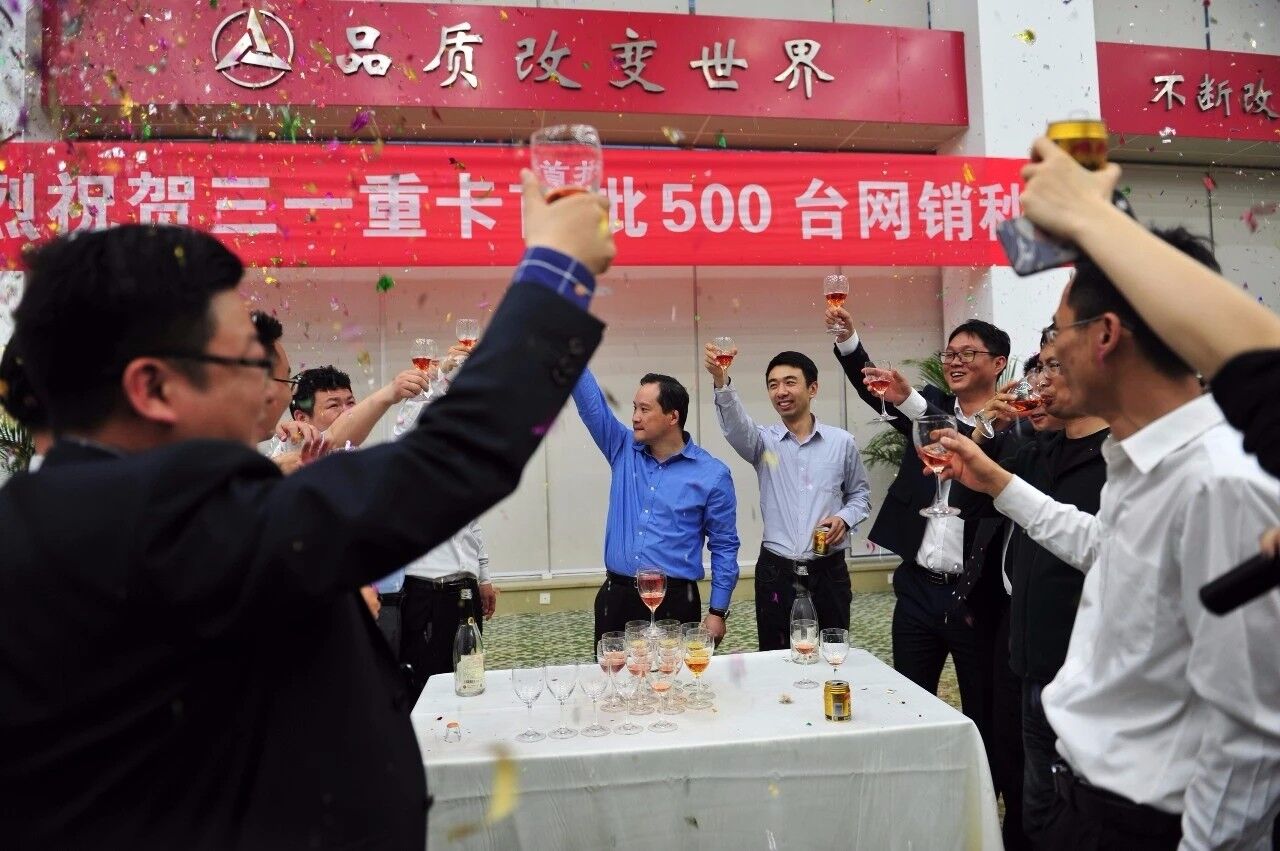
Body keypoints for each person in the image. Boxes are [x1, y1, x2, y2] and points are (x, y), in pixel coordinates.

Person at [0, 169, 614, 848]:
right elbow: (451, 459)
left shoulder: (46, 520)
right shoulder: (161, 527)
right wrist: (558, 270)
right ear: (153, 387)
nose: (269, 394)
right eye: (247, 363)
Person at [938, 228, 1280, 850]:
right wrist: (998, 484)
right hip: (1080, 795)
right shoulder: (1139, 459)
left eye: (1057, 333)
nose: (1044, 359)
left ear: (1106, 335)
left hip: (1146, 824)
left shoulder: (1220, 482)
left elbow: (1255, 734)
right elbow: (1105, 547)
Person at [825, 305, 1010, 734]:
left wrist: (916, 403)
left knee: (983, 708)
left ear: (998, 363)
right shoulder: (929, 407)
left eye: (968, 353)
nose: (955, 361)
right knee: (910, 703)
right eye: (950, 354)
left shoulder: (1012, 425)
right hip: (917, 590)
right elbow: (876, 391)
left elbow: (966, 443)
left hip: (977, 595)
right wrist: (848, 340)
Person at [706, 345, 870, 650]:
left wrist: (844, 519)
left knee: (832, 653)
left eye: (790, 382)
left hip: (828, 571)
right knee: (775, 656)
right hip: (776, 573)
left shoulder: (841, 442)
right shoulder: (762, 443)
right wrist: (721, 381)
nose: (781, 391)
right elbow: (735, 427)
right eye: (773, 384)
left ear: (813, 388)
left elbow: (860, 495)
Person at [571, 366, 740, 645]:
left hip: (675, 600)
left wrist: (717, 611)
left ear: (673, 416)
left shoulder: (712, 475)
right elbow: (592, 406)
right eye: (635, 408)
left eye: (645, 409)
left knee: (673, 673)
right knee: (614, 672)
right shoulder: (622, 449)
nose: (635, 417)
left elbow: (724, 546)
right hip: (617, 597)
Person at [387, 348, 499, 700]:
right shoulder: (410, 461)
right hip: (426, 591)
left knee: (468, 678)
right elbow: (406, 427)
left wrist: (483, 576)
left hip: (464, 590)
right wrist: (440, 377)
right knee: (425, 688)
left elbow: (472, 524)